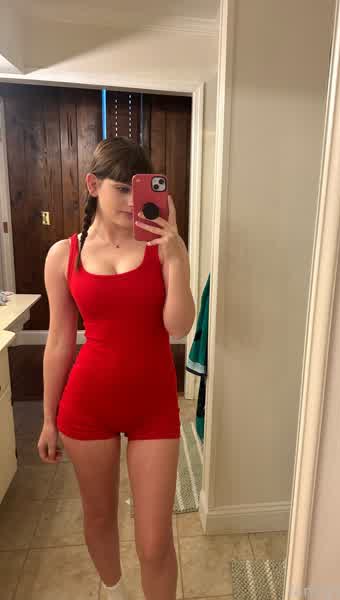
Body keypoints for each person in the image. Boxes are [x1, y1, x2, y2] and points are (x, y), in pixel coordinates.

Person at [37, 136, 196, 600]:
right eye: (121, 188)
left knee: (155, 542)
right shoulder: (63, 254)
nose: (132, 200)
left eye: (140, 188)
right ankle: (116, 592)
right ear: (93, 185)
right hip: (88, 406)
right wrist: (47, 418)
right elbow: (59, 340)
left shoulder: (163, 247)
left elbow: (178, 326)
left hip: (153, 406)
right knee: (100, 517)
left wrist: (177, 256)